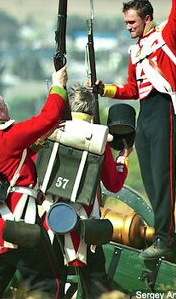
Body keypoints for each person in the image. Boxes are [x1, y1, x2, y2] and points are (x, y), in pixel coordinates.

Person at [93, 0, 176, 260]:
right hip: (145, 114)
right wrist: (104, 89)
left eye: (131, 22)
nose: (128, 28)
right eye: (125, 23)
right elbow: (133, 90)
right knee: (150, 179)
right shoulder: (136, 51)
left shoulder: (167, 36)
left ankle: (166, 238)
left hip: (163, 111)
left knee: (163, 180)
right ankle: (162, 235)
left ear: (147, 19)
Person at [0, 65, 68, 299]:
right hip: (19, 226)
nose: (7, 108)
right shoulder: (6, 135)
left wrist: (36, 144)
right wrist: (58, 86)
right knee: (50, 284)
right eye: (4, 105)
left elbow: (7, 162)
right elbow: (48, 118)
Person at [40, 84, 130, 299]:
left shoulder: (53, 132)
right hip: (86, 225)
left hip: (49, 219)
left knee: (51, 281)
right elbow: (113, 184)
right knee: (95, 280)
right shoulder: (100, 140)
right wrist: (122, 160)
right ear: (91, 110)